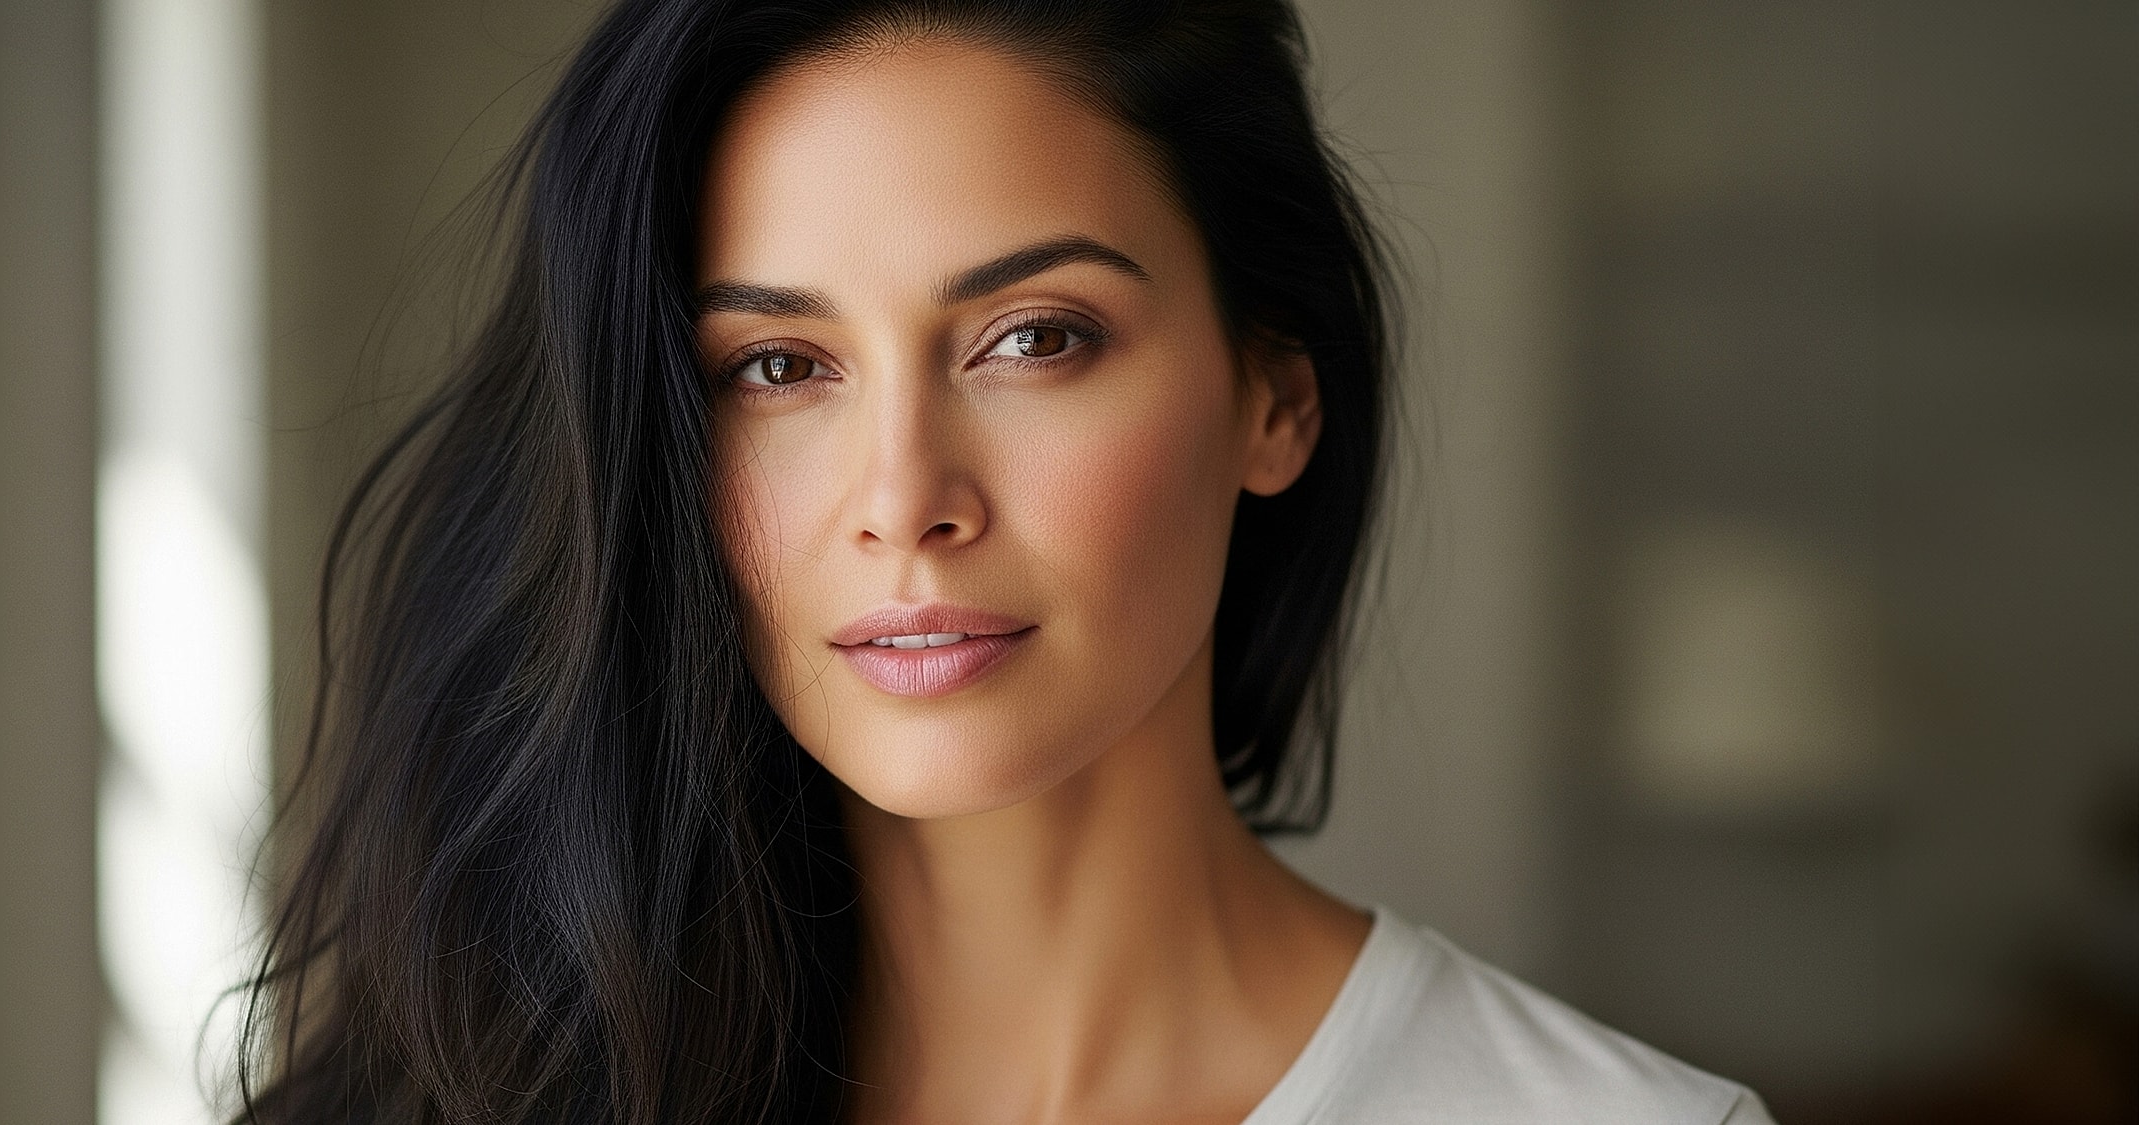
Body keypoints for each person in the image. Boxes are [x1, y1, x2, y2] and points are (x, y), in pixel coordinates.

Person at [235, 1, 1777, 1122]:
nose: (905, 498)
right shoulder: (474, 1089)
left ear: (1275, 395)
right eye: (777, 367)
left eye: (1033, 340)